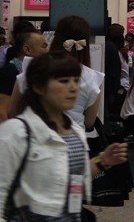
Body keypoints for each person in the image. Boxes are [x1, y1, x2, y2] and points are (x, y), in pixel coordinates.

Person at [0, 52, 127, 220]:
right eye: (64, 81)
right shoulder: (17, 132)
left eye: (76, 80)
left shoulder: (74, 130)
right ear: (39, 87)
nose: (74, 88)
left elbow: (71, 176)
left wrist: (102, 161)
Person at [9, 15, 104, 132]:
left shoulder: (33, 68)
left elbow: (12, 112)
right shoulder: (93, 77)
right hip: (74, 138)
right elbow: (89, 122)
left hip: (34, 136)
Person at [0, 31, 48, 122]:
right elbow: (2, 113)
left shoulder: (38, 72)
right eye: (44, 46)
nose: (47, 51)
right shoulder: (9, 72)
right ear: (27, 49)